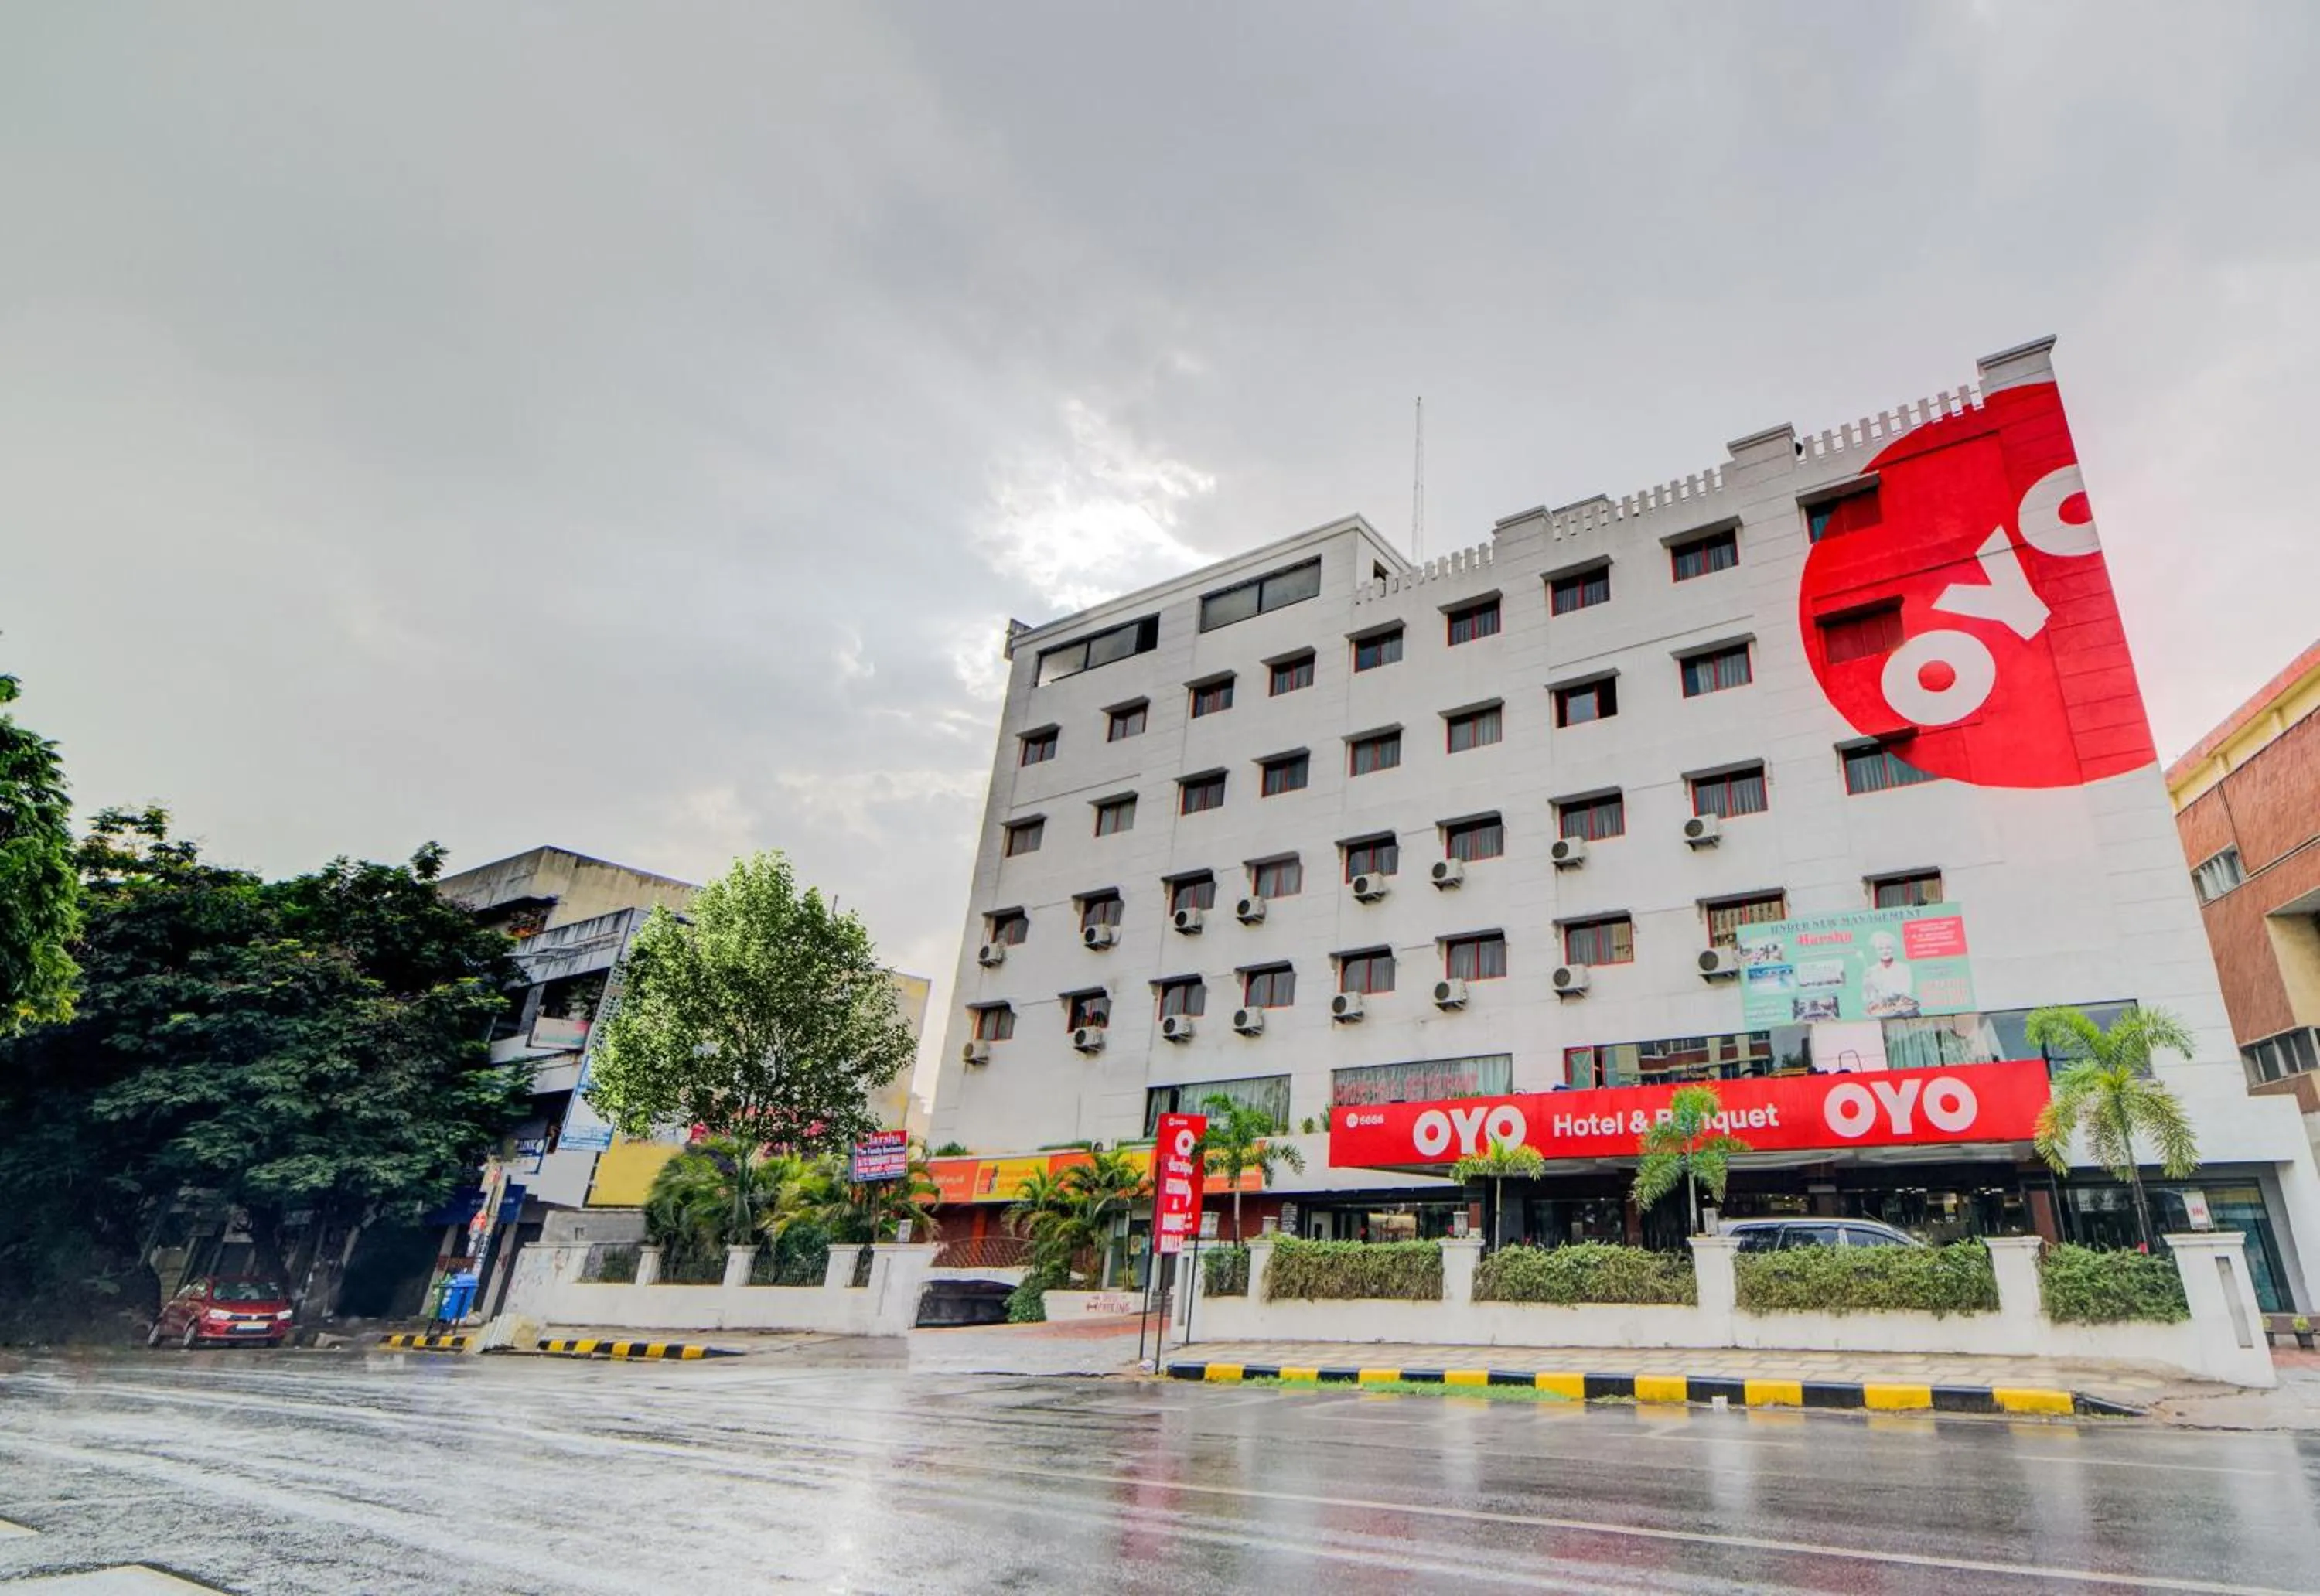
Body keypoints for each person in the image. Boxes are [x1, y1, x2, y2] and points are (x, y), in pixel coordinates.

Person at [1861, 932, 1920, 1017]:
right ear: (1876, 951)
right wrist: (1868, 986)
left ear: (1893, 949)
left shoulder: (1904, 968)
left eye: (1888, 948)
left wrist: (1885, 995)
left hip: (1901, 1011)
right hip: (1880, 1012)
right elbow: (1867, 997)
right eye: (1880, 949)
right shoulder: (1870, 972)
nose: (1885, 951)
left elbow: (1905, 992)